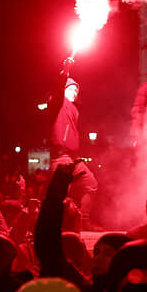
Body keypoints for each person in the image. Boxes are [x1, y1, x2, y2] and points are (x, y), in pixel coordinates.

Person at [50, 76, 98, 228]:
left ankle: (83, 219)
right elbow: (57, 89)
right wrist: (65, 72)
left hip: (73, 158)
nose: (74, 92)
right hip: (61, 158)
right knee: (62, 194)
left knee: (91, 183)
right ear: (63, 90)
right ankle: (58, 225)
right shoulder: (58, 103)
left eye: (76, 89)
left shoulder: (74, 109)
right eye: (70, 88)